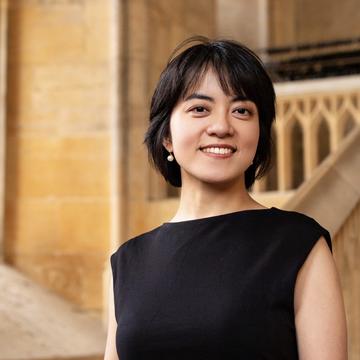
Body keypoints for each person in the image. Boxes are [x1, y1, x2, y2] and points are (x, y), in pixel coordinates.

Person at [104, 36, 347, 359]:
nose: (221, 126)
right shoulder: (128, 261)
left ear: (259, 135)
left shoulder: (299, 245)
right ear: (166, 137)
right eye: (200, 109)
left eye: (242, 111)